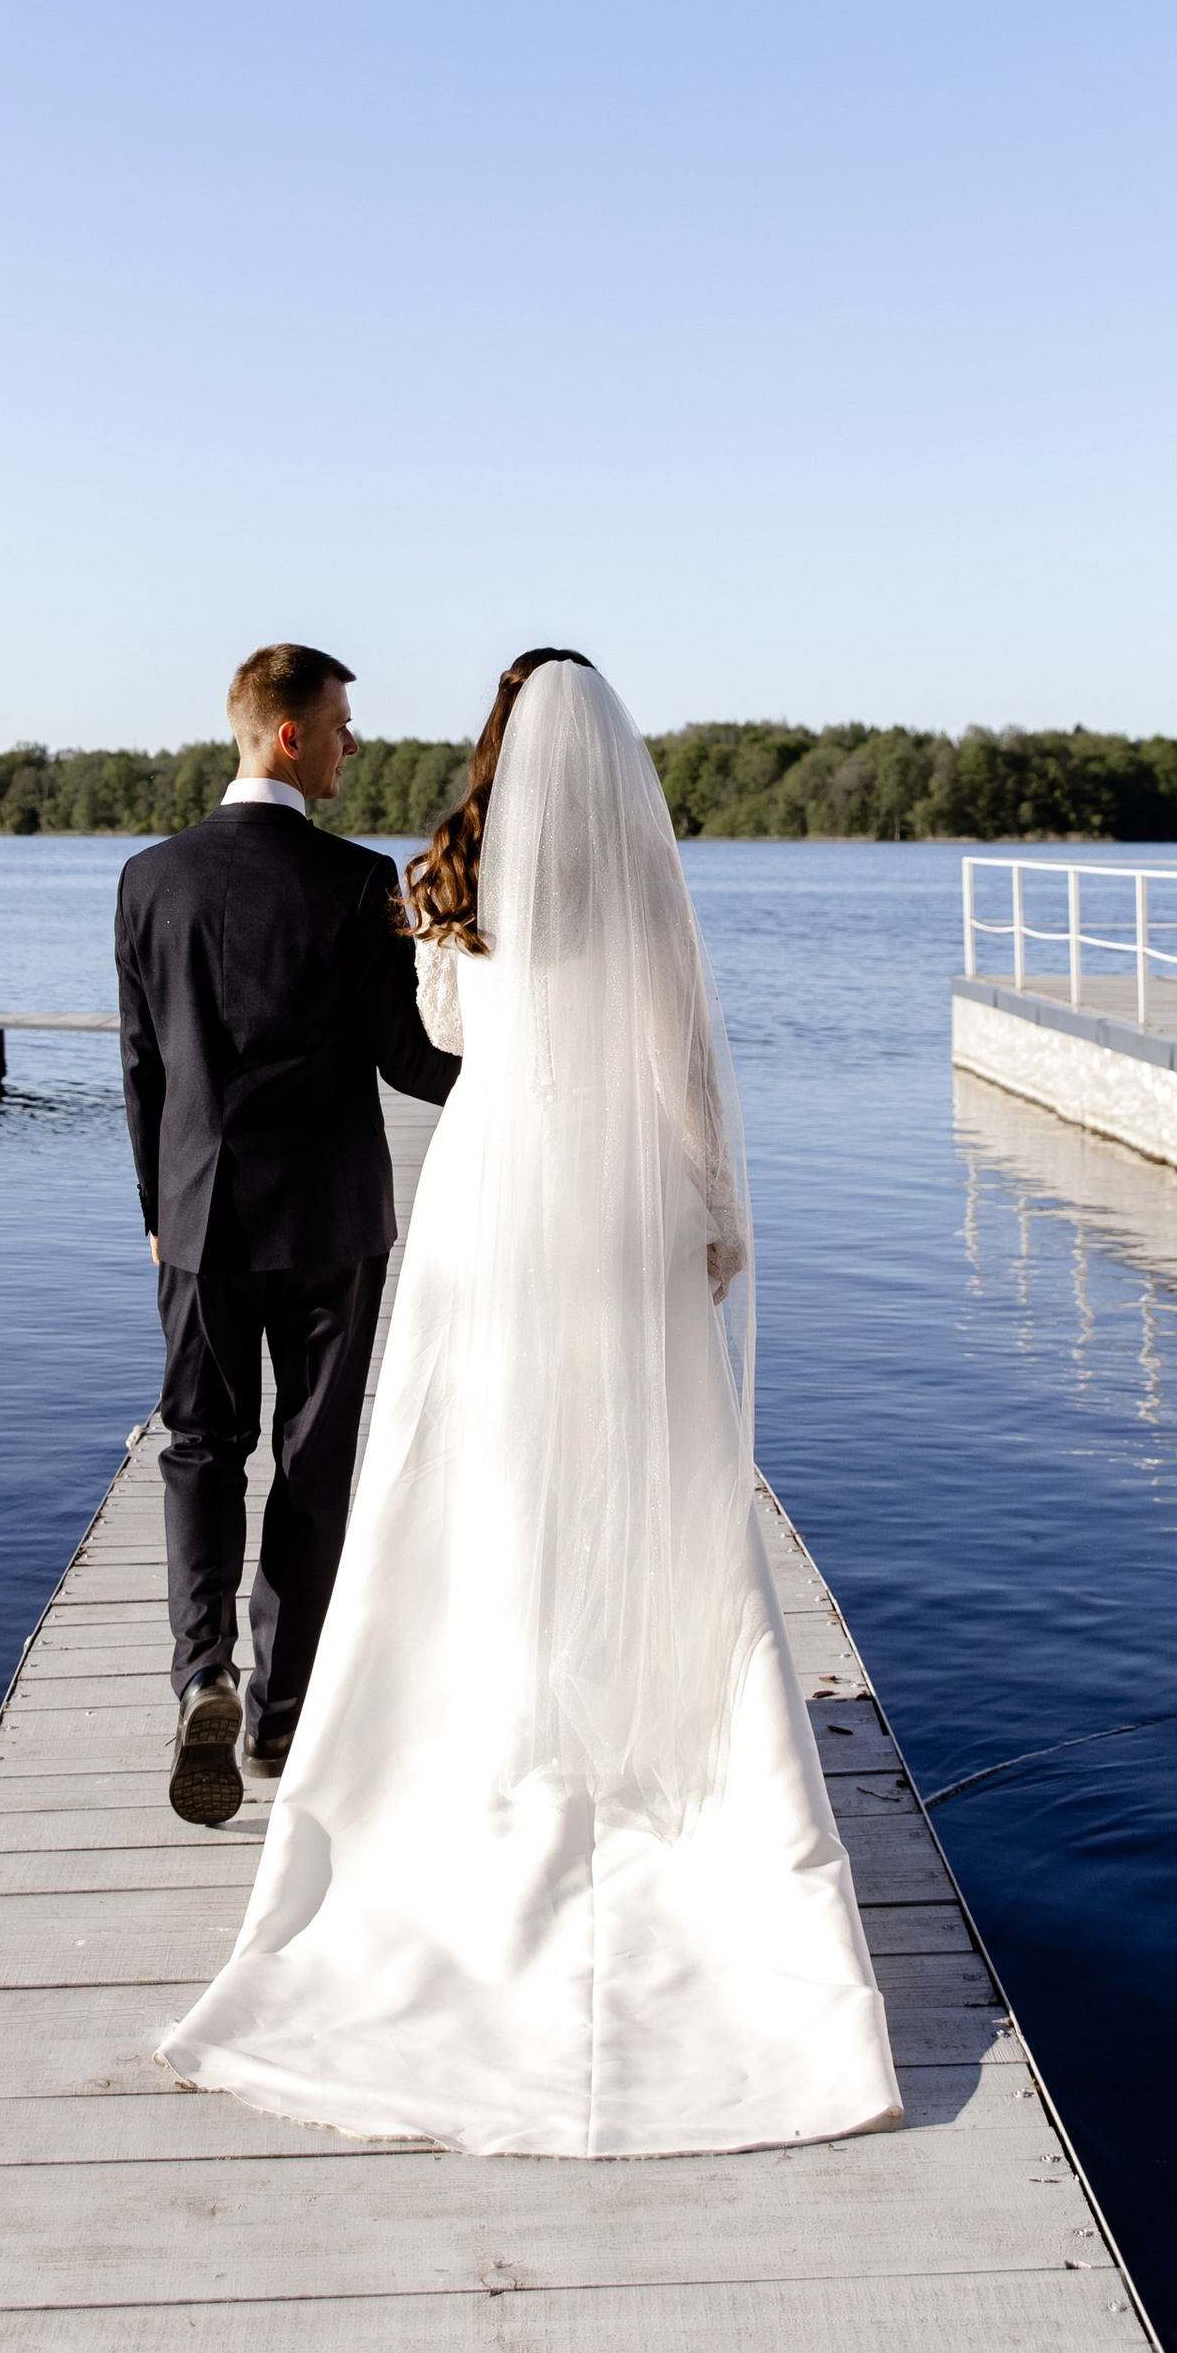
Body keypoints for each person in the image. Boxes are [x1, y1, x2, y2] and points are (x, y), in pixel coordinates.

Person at [159, 649, 902, 2154]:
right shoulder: (640, 891)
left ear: (499, 753)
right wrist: (712, 1210)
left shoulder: (441, 882)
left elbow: (442, 1048)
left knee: (485, 1476)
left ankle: (477, 1728)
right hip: (620, 1214)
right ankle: (640, 1737)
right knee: (646, 1473)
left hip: (489, 1211)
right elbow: (685, 1063)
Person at [115, 642, 463, 1827]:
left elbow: (142, 1067)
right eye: (344, 724)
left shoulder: (148, 879)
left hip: (199, 1216)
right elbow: (408, 1062)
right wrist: (537, 1075)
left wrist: (159, 1215)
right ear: (291, 737)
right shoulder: (356, 881)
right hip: (332, 1222)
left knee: (201, 1451)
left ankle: (199, 1672)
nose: (356, 745)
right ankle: (275, 1721)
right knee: (311, 1469)